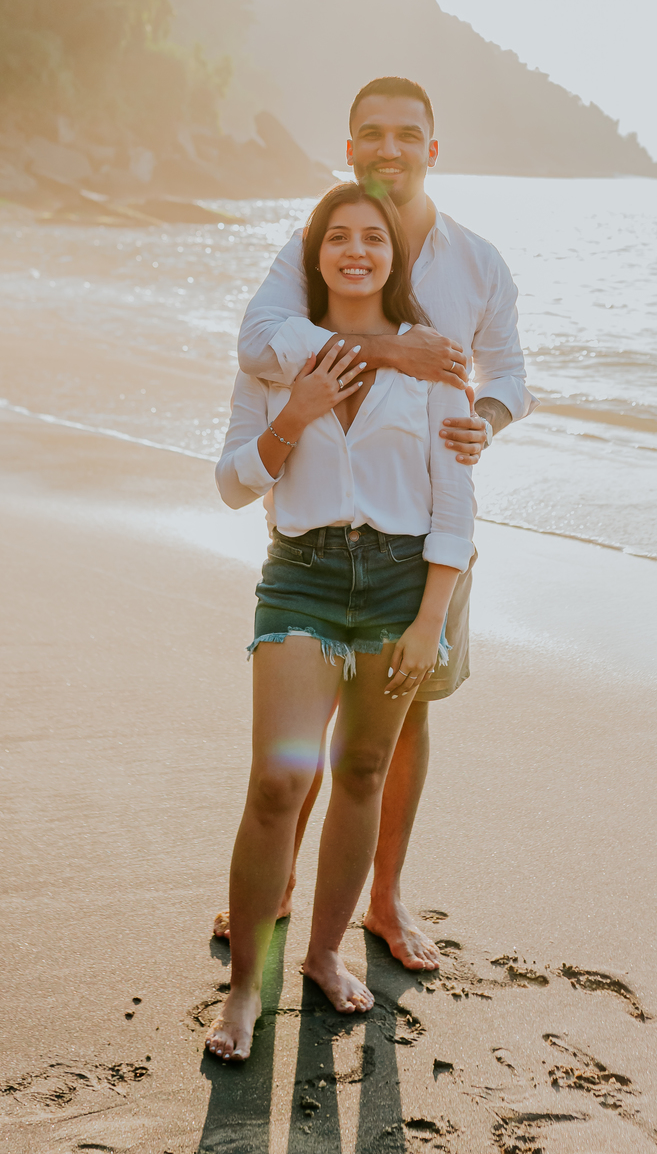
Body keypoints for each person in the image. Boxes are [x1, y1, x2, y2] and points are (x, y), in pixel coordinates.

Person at [217, 76, 534, 972]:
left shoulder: (478, 262)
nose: (387, 149)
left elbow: (509, 371)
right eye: (370, 136)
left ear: (433, 150)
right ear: (348, 149)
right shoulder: (321, 242)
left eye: (406, 136)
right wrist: (390, 347)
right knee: (299, 734)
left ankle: (384, 898)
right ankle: (276, 886)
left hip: (431, 520)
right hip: (330, 533)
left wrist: (490, 420)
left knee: (403, 717)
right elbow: (259, 340)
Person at [207, 182, 475, 1061]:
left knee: (361, 770)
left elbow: (453, 507)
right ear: (313, 252)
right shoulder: (278, 353)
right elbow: (235, 482)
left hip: (401, 585)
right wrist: (295, 415)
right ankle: (245, 989)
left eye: (373, 238)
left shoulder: (433, 362)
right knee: (278, 784)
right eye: (337, 238)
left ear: (395, 256)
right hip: (303, 579)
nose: (355, 251)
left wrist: (430, 619)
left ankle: (324, 953)